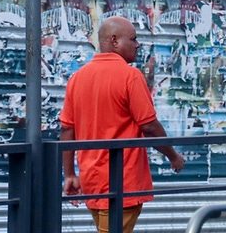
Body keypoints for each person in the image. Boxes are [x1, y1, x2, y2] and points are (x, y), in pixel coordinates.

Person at [60, 17, 185, 233]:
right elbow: (149, 126)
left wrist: (70, 174)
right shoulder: (131, 76)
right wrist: (173, 156)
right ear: (114, 41)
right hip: (123, 182)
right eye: (133, 39)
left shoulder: (77, 78)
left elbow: (66, 129)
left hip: (92, 180)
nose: (137, 45)